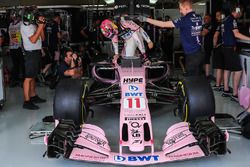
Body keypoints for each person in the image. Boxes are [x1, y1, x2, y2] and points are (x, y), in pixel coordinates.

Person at [138, 0, 203, 76]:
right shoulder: (199, 17)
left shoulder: (185, 20)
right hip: (200, 51)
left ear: (186, 8)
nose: (180, 11)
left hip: (192, 55)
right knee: (198, 78)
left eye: (180, 8)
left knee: (192, 81)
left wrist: (146, 19)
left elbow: (163, 24)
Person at [220, 6, 250, 101]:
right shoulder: (232, 20)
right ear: (237, 11)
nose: (241, 15)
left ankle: (226, 90)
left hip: (224, 47)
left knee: (227, 68)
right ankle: (235, 93)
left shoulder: (225, 19)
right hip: (229, 48)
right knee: (238, 70)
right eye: (241, 12)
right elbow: (236, 34)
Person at [20, 7, 46, 110]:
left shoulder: (33, 25)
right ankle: (27, 101)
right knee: (28, 78)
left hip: (36, 52)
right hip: (30, 53)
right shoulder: (25, 26)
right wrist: (40, 27)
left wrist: (41, 27)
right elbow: (34, 40)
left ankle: (33, 96)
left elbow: (42, 38)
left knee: (33, 76)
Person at [8, 12, 24, 87]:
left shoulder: (21, 24)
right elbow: (10, 36)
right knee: (15, 65)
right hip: (12, 47)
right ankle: (15, 80)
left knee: (22, 64)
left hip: (20, 47)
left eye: (14, 16)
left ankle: (23, 81)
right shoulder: (10, 25)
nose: (13, 17)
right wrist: (9, 47)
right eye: (12, 16)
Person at [213, 11, 225, 91]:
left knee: (219, 68)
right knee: (223, 68)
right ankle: (223, 84)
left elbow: (215, 36)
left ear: (222, 16)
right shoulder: (226, 24)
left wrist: (214, 45)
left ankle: (218, 85)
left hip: (219, 47)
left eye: (218, 16)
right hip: (226, 47)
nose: (216, 17)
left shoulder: (220, 25)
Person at [201, 14, 213, 79]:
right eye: (204, 18)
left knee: (207, 59)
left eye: (207, 18)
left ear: (210, 19)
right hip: (201, 45)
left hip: (208, 45)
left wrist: (196, 32)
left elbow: (203, 33)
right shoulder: (203, 25)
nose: (205, 19)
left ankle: (207, 75)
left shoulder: (210, 25)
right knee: (202, 59)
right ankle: (203, 73)